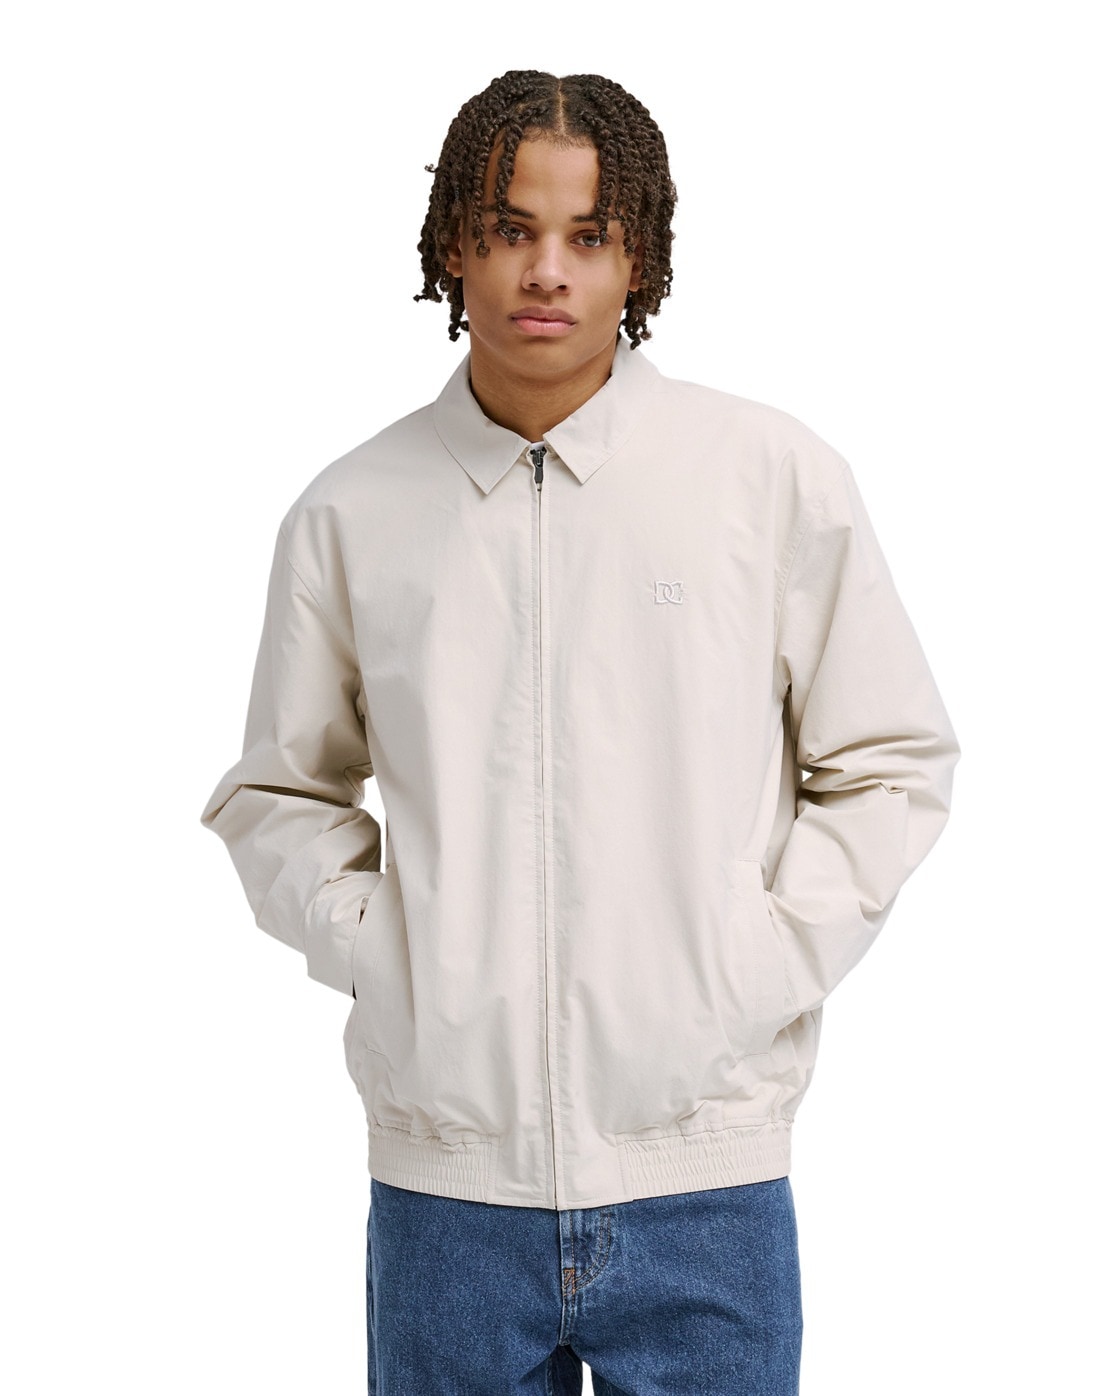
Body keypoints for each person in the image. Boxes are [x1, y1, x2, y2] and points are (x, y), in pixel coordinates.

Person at [200, 69, 961, 1395]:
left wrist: (755, 963)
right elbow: (279, 791)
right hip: (449, 1188)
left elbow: (888, 759)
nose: (544, 270)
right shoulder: (353, 512)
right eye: (509, 229)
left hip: (705, 1170)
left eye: (587, 235)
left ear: (638, 257)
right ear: (454, 244)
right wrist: (395, 957)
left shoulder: (766, 479)